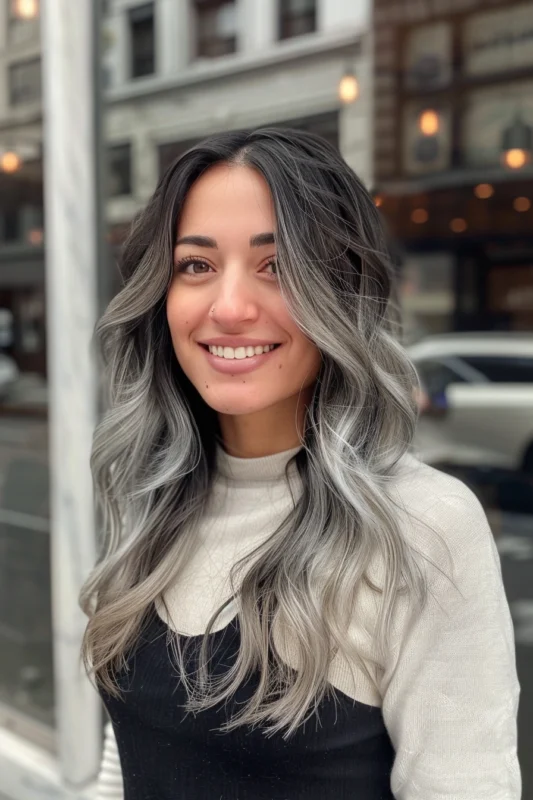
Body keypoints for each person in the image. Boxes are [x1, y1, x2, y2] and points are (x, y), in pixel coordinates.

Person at [81, 128, 521, 800]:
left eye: (277, 266)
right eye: (196, 266)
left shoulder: (421, 526)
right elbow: (128, 758)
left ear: (342, 291)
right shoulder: (154, 495)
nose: (228, 308)